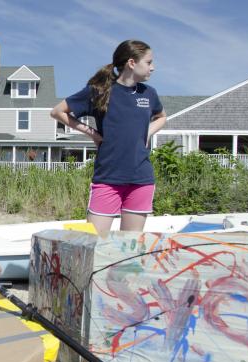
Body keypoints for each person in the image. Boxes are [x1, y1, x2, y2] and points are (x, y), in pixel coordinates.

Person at [51, 40, 166, 236]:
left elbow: (162, 117)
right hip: (108, 179)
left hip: (141, 179)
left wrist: (147, 132)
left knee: (130, 246)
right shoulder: (99, 91)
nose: (152, 67)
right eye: (148, 62)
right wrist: (92, 133)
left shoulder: (149, 94)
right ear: (132, 62)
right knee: (93, 241)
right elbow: (58, 112)